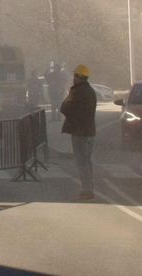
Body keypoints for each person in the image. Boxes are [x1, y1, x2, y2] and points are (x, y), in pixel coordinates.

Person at [59, 63, 98, 201]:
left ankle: (87, 190)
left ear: (79, 77)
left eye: (75, 76)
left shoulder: (77, 91)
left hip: (79, 132)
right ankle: (89, 188)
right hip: (90, 132)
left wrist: (69, 95)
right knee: (87, 161)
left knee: (82, 162)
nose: (73, 78)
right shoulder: (91, 91)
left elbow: (64, 108)